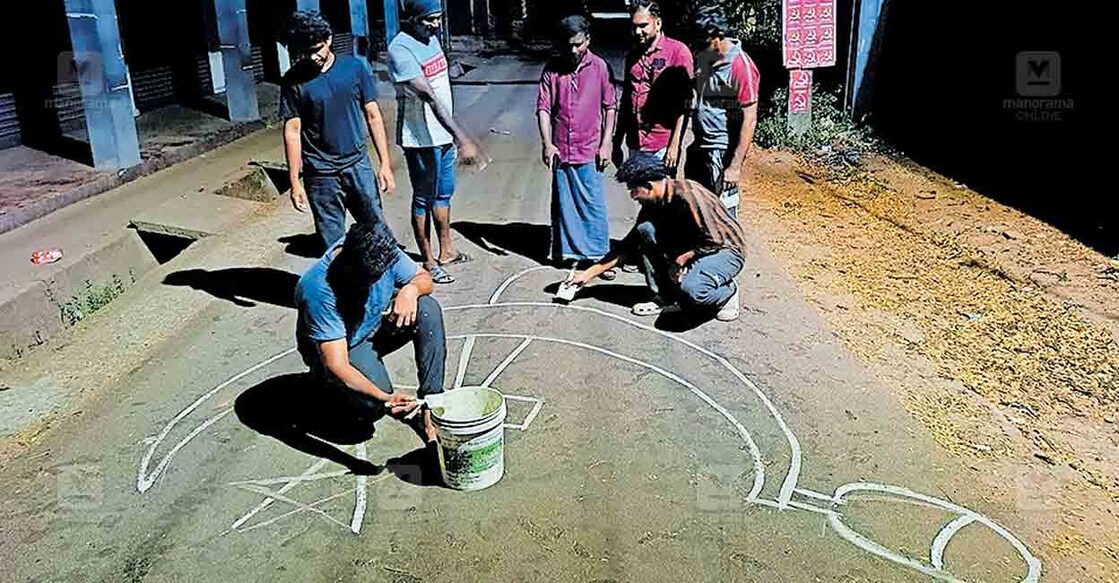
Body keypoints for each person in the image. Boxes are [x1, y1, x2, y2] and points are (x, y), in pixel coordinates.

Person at [294, 221, 446, 444]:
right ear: (348, 264)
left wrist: (410, 290)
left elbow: (424, 279)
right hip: (343, 346)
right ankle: (325, 386)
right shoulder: (318, 289)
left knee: (427, 310)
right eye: (366, 280)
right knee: (372, 406)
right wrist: (385, 397)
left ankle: (431, 403)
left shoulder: (382, 249)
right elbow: (338, 364)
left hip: (372, 325)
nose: (372, 285)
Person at [571, 155, 745, 322]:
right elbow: (628, 245)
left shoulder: (688, 194)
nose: (633, 196)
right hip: (695, 245)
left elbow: (714, 240)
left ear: (648, 186)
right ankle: (665, 296)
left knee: (693, 292)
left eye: (634, 190)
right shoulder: (653, 204)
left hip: (725, 250)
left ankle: (727, 291)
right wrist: (587, 275)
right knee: (644, 230)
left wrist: (681, 260)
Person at [279, 11, 396, 251]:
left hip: (357, 166)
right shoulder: (293, 80)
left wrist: (385, 164)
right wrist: (294, 181)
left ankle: (385, 285)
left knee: (376, 233)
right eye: (306, 51)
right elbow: (292, 131)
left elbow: (373, 116)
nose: (312, 57)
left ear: (329, 39)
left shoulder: (354, 68)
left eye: (317, 49)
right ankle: (343, 287)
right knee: (332, 246)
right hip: (321, 175)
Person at [388, 0, 485, 285]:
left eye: (438, 18)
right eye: (429, 19)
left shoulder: (431, 39)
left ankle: (447, 251)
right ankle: (428, 261)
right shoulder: (400, 49)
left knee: (443, 194)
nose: (436, 25)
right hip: (420, 138)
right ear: (412, 19)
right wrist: (462, 137)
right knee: (424, 197)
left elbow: (440, 78)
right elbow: (429, 96)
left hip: (442, 136)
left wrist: (457, 69)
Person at [536, 15, 618, 270]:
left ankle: (598, 256)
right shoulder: (552, 68)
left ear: (588, 40)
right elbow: (544, 108)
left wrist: (607, 143)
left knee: (592, 203)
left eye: (578, 44)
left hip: (590, 147)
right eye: (568, 45)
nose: (573, 50)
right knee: (565, 204)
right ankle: (569, 253)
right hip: (562, 148)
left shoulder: (600, 68)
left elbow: (610, 107)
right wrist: (547, 143)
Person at [686, 8, 760, 218]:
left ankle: (728, 251)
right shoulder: (705, 57)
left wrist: (734, 166)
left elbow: (750, 119)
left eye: (704, 44)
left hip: (721, 152)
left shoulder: (741, 66)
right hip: (700, 147)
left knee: (723, 218)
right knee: (696, 211)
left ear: (719, 37)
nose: (699, 50)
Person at [612, 0, 694, 172]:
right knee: (639, 195)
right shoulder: (633, 55)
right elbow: (627, 99)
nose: (637, 31)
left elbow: (684, 105)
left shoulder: (678, 52)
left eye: (643, 26)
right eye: (634, 26)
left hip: (662, 145)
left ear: (658, 23)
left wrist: (674, 145)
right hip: (635, 143)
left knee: (661, 196)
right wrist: (617, 140)